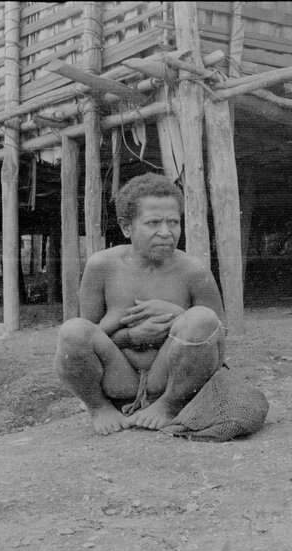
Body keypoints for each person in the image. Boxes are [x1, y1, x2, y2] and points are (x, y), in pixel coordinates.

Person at [54, 173, 226, 434]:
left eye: (174, 222)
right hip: (119, 377)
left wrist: (178, 316)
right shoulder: (102, 266)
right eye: (153, 222)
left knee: (201, 318)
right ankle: (99, 407)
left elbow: (219, 335)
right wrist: (132, 336)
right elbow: (85, 341)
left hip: (170, 378)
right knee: (71, 331)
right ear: (126, 227)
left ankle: (168, 406)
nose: (166, 233)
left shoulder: (194, 271)